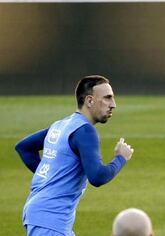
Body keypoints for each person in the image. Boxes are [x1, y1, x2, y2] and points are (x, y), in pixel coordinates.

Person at [15, 75, 134, 236]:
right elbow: (97, 177)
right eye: (107, 98)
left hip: (41, 215)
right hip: (50, 220)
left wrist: (51, 176)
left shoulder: (61, 125)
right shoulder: (85, 131)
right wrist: (120, 158)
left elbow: (24, 148)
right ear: (90, 101)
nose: (113, 104)